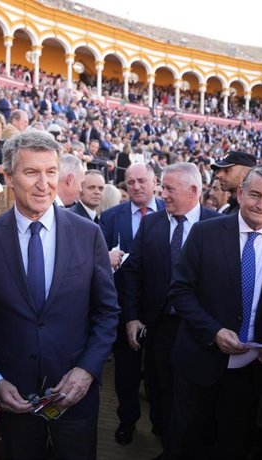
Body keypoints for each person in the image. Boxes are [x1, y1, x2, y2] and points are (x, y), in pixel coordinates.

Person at [0, 130, 119, 459]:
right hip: (14, 399)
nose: (44, 183)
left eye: (51, 172)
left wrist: (86, 371)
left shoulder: (89, 235)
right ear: (10, 176)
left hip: (75, 397)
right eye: (31, 172)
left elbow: (107, 313)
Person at [166, 164, 262, 459]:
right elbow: (180, 291)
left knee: (233, 445)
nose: (261, 205)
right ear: (240, 194)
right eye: (255, 194)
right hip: (199, 363)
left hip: (251, 372)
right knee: (185, 443)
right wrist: (213, 331)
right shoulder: (205, 232)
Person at [117, 163, 219, 454]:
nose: (163, 194)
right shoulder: (152, 223)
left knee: (196, 393)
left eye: (169, 189)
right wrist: (133, 317)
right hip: (160, 326)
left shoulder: (217, 225)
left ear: (194, 191)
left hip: (201, 330)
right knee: (161, 388)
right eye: (162, 187)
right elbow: (133, 273)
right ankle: (167, 440)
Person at [98, 162, 164, 445]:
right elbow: (98, 265)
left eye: (141, 181)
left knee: (160, 372)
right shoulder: (111, 218)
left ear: (155, 182)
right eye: (130, 182)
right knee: (125, 373)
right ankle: (127, 420)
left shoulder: (172, 212)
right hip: (124, 309)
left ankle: (162, 427)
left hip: (162, 310)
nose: (136, 187)